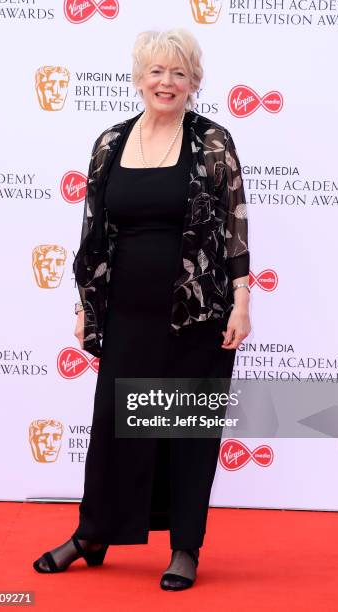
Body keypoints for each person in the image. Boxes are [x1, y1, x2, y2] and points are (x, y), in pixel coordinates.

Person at [33, 28, 251, 591]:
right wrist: (87, 303)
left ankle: (184, 547)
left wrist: (242, 301)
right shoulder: (110, 141)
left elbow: (234, 227)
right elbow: (92, 231)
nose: (167, 82)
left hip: (196, 312)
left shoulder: (212, 142)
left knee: (184, 429)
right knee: (114, 426)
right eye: (157, 72)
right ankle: (94, 533)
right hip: (125, 310)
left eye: (179, 73)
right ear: (139, 78)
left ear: (194, 81)